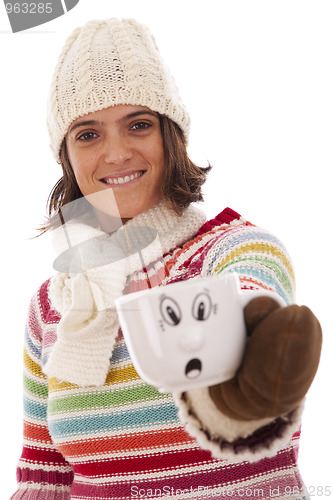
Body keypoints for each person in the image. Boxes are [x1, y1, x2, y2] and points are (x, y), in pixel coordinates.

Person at [11, 18, 322, 500]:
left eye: (138, 124)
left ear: (170, 137)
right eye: (88, 134)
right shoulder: (52, 308)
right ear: (66, 156)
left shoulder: (235, 249)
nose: (115, 154)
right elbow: (44, 483)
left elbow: (247, 301)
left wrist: (247, 359)